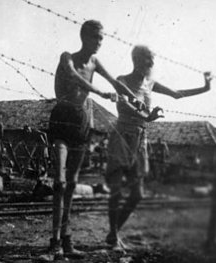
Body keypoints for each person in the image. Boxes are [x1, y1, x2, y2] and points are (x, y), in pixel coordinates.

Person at [45, 20, 144, 260]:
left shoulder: (95, 62)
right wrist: (100, 92)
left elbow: (115, 82)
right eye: (95, 38)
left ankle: (66, 240)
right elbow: (73, 77)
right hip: (62, 118)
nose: (98, 43)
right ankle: (54, 242)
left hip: (81, 121)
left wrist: (134, 99)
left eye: (101, 38)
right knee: (58, 182)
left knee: (71, 184)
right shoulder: (67, 56)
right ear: (84, 37)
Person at [105, 45, 212, 252]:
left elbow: (177, 94)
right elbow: (125, 104)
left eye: (152, 61)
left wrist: (205, 87)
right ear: (136, 60)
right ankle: (113, 235)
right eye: (148, 60)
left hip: (140, 137)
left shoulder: (150, 83)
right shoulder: (122, 80)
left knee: (137, 194)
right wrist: (147, 115)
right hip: (122, 135)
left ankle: (112, 232)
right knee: (116, 190)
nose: (151, 65)